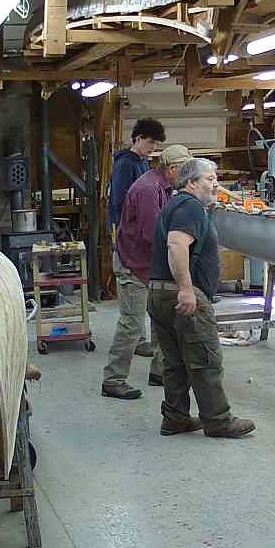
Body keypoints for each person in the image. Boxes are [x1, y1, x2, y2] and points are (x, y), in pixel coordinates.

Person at [147, 157, 255, 438]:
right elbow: (176, 244)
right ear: (191, 183)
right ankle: (218, 421)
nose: (216, 184)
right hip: (181, 293)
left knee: (175, 363)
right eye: (210, 179)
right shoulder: (190, 207)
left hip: (159, 291)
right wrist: (185, 289)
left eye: (216, 178)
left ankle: (175, 418)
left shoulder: (177, 205)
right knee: (205, 359)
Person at [102, 144, 192, 399]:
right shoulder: (148, 190)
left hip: (149, 264)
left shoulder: (164, 187)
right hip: (133, 264)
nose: (188, 176)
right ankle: (112, 379)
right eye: (185, 170)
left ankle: (160, 371)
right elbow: (152, 234)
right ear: (172, 169)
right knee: (131, 324)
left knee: (163, 318)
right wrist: (181, 250)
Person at [107, 119, 165, 364]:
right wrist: (132, 228)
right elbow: (120, 201)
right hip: (127, 231)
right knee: (131, 286)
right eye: (150, 142)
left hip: (138, 230)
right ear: (138, 138)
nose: (153, 147)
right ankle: (137, 340)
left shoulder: (142, 162)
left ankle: (140, 339)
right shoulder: (125, 164)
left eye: (156, 144)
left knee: (141, 290)